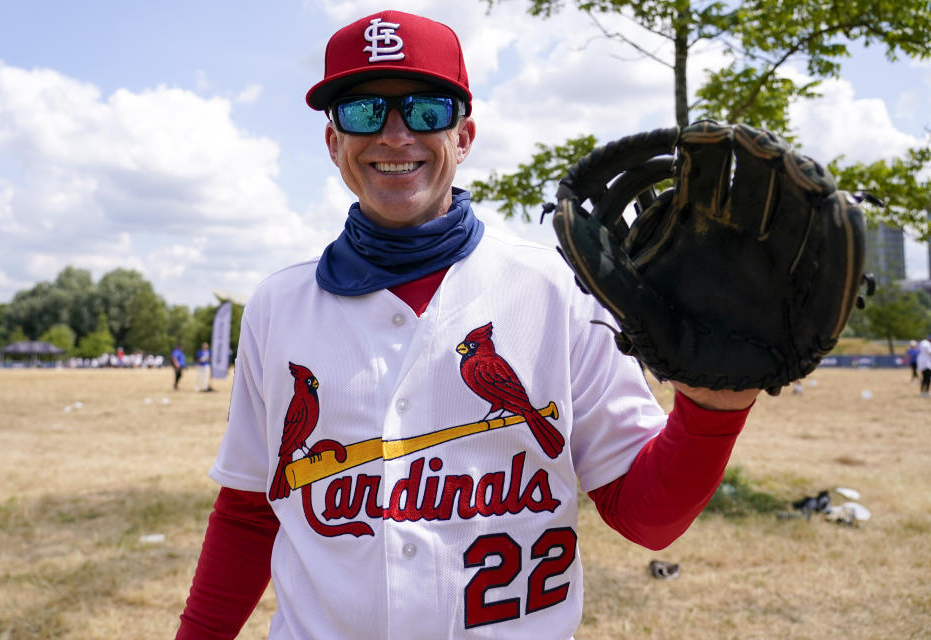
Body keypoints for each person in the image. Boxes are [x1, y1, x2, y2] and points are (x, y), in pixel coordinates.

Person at [176, 10, 761, 639]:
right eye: (362, 111)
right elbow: (249, 512)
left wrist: (713, 410)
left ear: (464, 136)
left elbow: (646, 517)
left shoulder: (558, 290)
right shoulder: (278, 305)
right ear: (331, 141)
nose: (394, 136)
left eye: (426, 110)